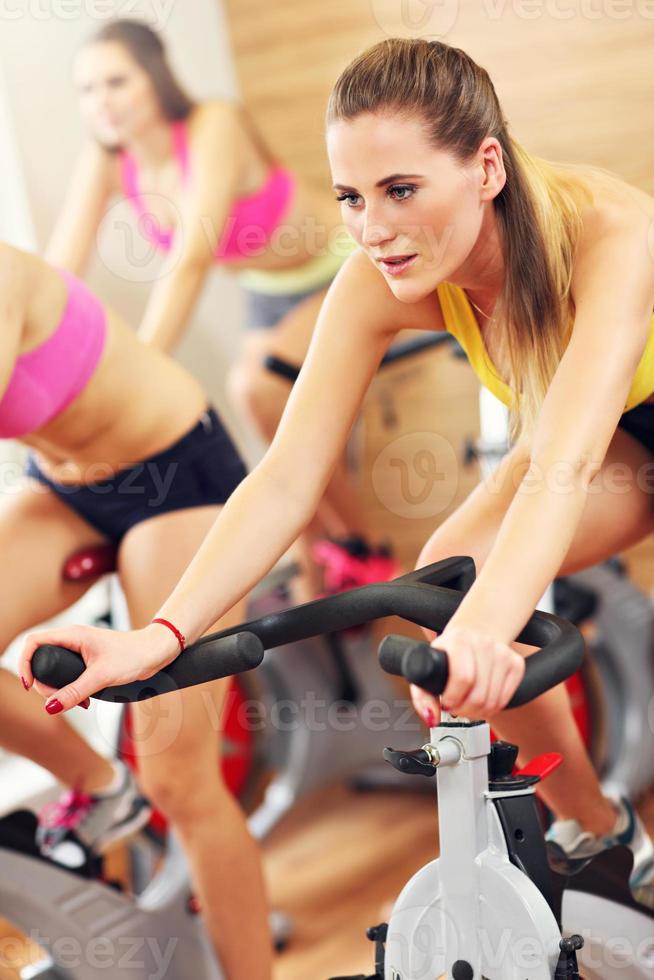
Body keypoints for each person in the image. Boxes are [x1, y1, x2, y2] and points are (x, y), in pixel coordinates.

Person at [23, 38, 654, 905]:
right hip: (607, 438)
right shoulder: (378, 276)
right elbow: (286, 479)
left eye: (401, 190)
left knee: (480, 609)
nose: (374, 229)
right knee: (451, 583)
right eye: (352, 198)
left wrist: (490, 625)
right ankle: (602, 833)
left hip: (588, 441)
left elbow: (566, 461)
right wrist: (158, 635)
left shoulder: (609, 232)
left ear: (486, 167)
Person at [47, 18, 395, 594]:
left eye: (116, 82)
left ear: (155, 78)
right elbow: (59, 275)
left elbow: (190, 259)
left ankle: (363, 551)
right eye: (87, 90)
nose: (101, 102)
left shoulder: (214, 124)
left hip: (342, 266)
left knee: (254, 387)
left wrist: (136, 372)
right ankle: (323, 557)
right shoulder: (109, 160)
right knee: (278, 431)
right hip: (267, 290)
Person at [0, 244, 272, 978]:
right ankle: (101, 789)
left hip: (177, 476)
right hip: (64, 488)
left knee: (181, 784)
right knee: (141, 784)